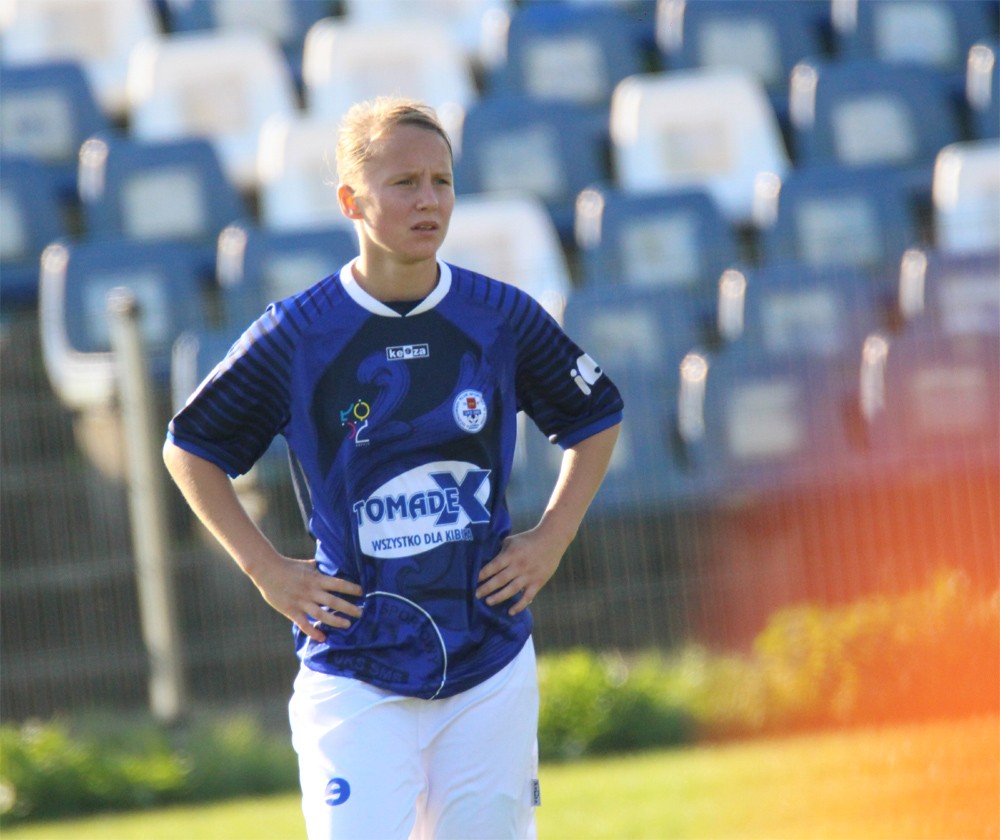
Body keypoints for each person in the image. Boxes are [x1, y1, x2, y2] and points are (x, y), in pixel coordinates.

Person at [163, 96, 623, 840]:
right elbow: (190, 448)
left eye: (442, 181)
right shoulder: (298, 333)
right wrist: (266, 570)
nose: (428, 200)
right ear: (351, 201)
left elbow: (595, 415)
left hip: (489, 662)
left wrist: (551, 538)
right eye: (405, 183)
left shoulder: (498, 315)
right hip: (355, 665)